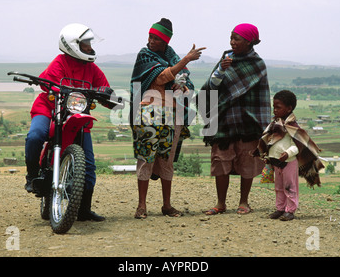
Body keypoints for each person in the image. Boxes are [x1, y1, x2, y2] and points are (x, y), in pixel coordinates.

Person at [24, 23, 111, 222]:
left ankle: (83, 209)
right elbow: (47, 83)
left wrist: (111, 98)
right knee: (36, 135)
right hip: (49, 110)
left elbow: (105, 89)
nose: (90, 46)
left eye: (89, 42)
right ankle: (32, 175)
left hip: (76, 116)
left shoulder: (92, 68)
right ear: (73, 45)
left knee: (88, 165)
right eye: (85, 43)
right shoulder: (59, 63)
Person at [130, 18, 205, 219]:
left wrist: (183, 86)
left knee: (167, 160)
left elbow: (187, 85)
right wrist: (186, 60)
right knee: (146, 158)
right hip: (149, 113)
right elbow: (162, 77)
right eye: (150, 36)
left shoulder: (173, 58)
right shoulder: (145, 56)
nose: (151, 41)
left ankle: (167, 205)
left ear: (166, 42)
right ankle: (141, 205)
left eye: (156, 38)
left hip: (173, 115)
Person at [200, 23, 271, 215]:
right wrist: (221, 71)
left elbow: (257, 95)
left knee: (247, 161)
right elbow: (210, 87)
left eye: (236, 39)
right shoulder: (225, 60)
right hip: (224, 119)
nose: (232, 42)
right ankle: (220, 203)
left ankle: (244, 202)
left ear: (249, 42)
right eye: (231, 38)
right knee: (221, 160)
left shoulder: (258, 64)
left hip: (249, 122)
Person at [254, 90, 323, 221]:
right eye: (274, 107)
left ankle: (290, 210)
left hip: (289, 162)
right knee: (279, 187)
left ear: (289, 108)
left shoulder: (292, 127)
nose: (275, 110)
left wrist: (288, 153)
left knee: (290, 187)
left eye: (278, 107)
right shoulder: (274, 124)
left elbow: (298, 145)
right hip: (276, 162)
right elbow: (269, 140)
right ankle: (280, 209)